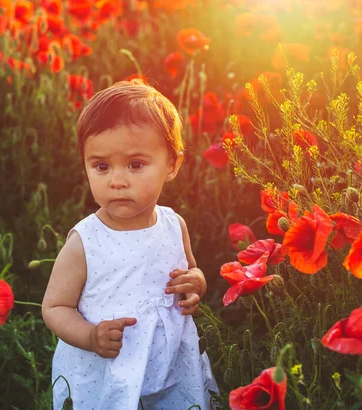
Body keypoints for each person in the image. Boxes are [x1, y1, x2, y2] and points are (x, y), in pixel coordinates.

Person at [41, 78, 218, 410]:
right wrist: (90, 338)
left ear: (172, 165)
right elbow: (54, 308)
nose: (117, 180)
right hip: (107, 366)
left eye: (136, 165)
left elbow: (190, 270)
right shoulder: (85, 242)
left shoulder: (173, 225)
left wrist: (196, 284)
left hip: (168, 362)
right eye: (101, 166)